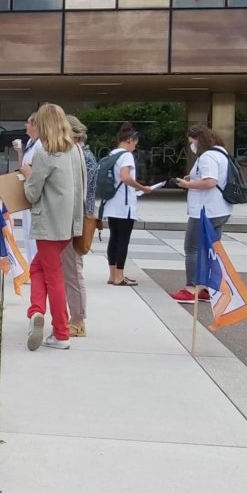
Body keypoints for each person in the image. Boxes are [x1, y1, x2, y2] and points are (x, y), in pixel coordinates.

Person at [21, 104, 86, 350]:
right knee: (38, 268)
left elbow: (32, 192)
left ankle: (60, 332)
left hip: (48, 223)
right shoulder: (75, 151)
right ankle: (36, 311)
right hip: (69, 223)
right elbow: (81, 186)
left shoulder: (45, 153)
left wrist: (27, 175)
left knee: (52, 274)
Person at [170, 125, 234, 303]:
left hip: (204, 210)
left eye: (192, 142)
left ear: (199, 139)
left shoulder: (207, 156)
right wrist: (194, 179)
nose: (192, 146)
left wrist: (187, 185)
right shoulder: (222, 153)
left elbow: (210, 181)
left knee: (192, 248)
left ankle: (191, 288)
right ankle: (205, 287)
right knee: (209, 249)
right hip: (221, 209)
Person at [100, 122, 153, 287]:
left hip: (111, 204)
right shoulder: (126, 156)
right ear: (130, 140)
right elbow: (125, 177)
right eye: (135, 142)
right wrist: (143, 187)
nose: (135, 146)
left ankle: (112, 274)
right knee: (123, 240)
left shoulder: (112, 154)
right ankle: (119, 276)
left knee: (114, 238)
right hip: (124, 206)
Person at [61, 115, 98, 338]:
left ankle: (78, 319)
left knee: (74, 271)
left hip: (79, 217)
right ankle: (74, 316)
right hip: (77, 216)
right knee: (70, 271)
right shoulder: (80, 155)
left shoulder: (83, 157)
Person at [14, 113, 40, 264]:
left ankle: (35, 264)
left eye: (28, 123)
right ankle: (31, 264)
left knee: (33, 231)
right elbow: (23, 166)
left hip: (34, 192)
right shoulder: (31, 141)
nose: (26, 126)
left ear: (36, 125)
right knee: (27, 230)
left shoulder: (42, 144)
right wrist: (19, 151)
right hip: (27, 188)